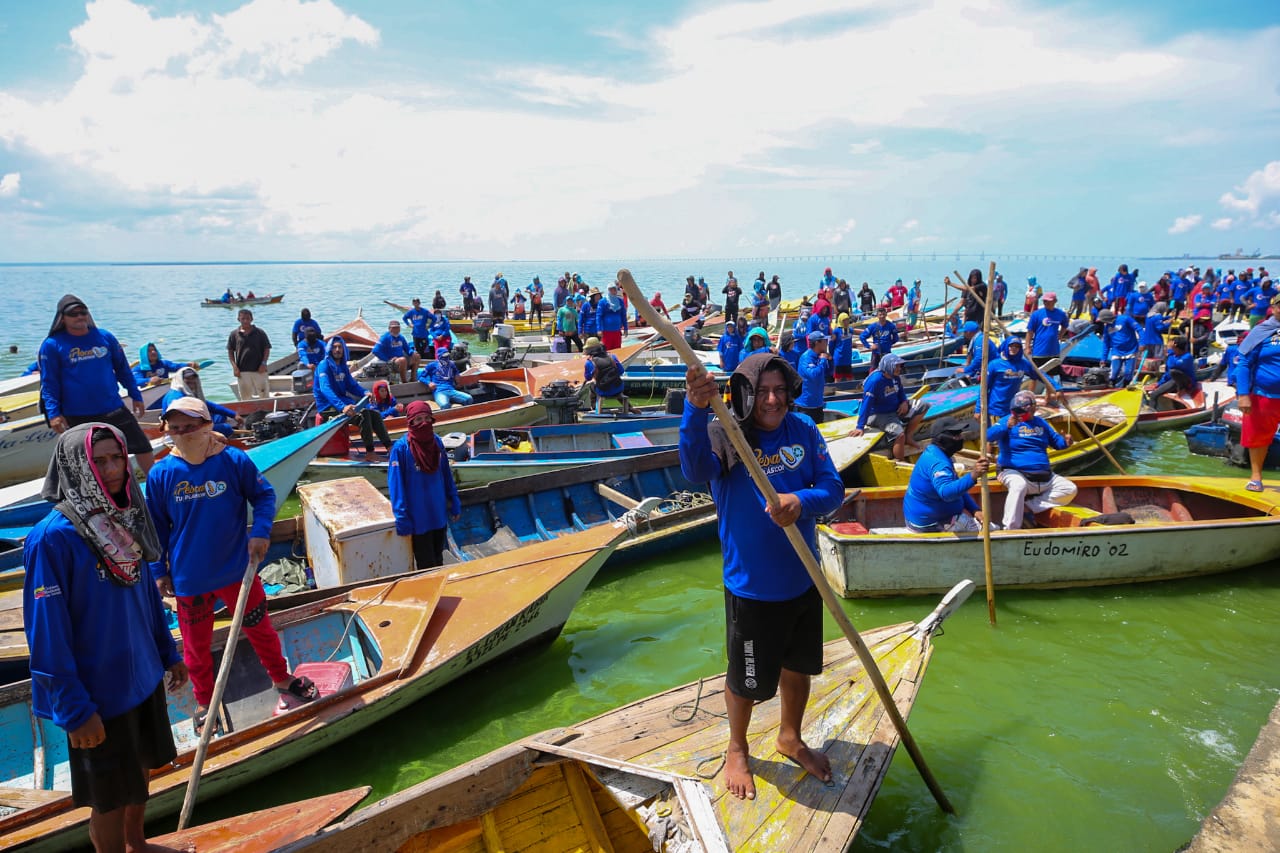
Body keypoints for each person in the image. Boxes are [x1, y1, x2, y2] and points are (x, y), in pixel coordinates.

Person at [679, 352, 842, 800]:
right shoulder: (726, 432)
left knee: (799, 666)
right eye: (763, 391)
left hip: (804, 577)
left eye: (780, 390)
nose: (772, 400)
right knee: (745, 680)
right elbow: (694, 470)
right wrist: (693, 410)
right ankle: (737, 749)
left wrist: (799, 501)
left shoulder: (804, 431)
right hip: (752, 587)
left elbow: (833, 489)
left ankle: (790, 737)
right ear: (746, 392)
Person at [24, 424, 188, 852]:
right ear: (76, 467)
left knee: (142, 769)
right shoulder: (54, 538)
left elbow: (146, 594)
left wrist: (168, 652)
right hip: (98, 692)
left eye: (118, 458)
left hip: (141, 674)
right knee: (109, 796)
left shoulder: (123, 518)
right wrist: (75, 709)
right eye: (100, 461)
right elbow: (46, 631)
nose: (114, 469)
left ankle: (138, 844)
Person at [145, 397, 316, 738]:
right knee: (195, 647)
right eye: (175, 429)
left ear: (207, 425)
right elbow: (155, 527)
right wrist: (157, 570)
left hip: (238, 570)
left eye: (189, 427)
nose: (182, 434)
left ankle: (281, 679)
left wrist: (261, 532)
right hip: (189, 578)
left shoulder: (233, 461)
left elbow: (264, 496)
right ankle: (205, 703)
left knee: (260, 631)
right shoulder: (162, 473)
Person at [39, 295, 155, 473]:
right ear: (62, 318)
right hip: (77, 414)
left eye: (83, 312)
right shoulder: (52, 345)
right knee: (91, 459)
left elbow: (123, 369)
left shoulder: (105, 337)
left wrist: (136, 395)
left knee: (142, 446)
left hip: (112, 407)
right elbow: (49, 383)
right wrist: (54, 413)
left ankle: (156, 487)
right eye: (73, 313)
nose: (79, 316)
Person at [985, 390, 1075, 530]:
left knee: (1069, 489)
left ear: (1033, 409)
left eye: (1022, 411)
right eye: (1016, 411)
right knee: (1018, 485)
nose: (1018, 415)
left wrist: (1066, 442)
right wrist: (1006, 426)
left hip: (1044, 476)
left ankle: (1029, 507)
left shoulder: (1041, 423)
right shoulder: (1006, 420)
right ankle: (1010, 528)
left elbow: (1057, 443)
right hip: (1012, 471)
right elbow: (988, 436)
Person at [388, 401, 461, 570]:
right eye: (418, 419)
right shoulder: (401, 449)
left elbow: (446, 474)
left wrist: (454, 500)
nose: (424, 423)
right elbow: (396, 486)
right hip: (418, 519)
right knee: (426, 565)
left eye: (427, 418)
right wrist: (401, 516)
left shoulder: (436, 442)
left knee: (438, 558)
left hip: (438, 513)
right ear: (410, 422)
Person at [903, 417, 988, 532]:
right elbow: (946, 492)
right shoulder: (939, 463)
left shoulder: (936, 452)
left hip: (929, 516)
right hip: (929, 524)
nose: (961, 437)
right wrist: (973, 474)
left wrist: (974, 509)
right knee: (989, 529)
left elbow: (957, 488)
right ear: (942, 439)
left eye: (960, 434)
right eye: (956, 435)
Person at [315, 337, 394, 460]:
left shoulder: (342, 366)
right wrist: (342, 407)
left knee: (374, 414)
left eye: (340, 347)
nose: (337, 350)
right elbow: (325, 389)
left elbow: (352, 385)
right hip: (327, 406)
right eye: (334, 347)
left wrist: (365, 392)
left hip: (343, 401)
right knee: (363, 415)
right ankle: (370, 452)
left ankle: (390, 448)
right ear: (330, 349)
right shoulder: (324, 365)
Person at [1233, 297, 1280, 491]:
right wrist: (1243, 394)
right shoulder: (1261, 331)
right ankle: (1256, 477)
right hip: (1264, 395)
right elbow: (1243, 363)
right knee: (1259, 437)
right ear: (1274, 308)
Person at [852, 353, 928, 460]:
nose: (899, 368)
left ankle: (909, 436)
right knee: (899, 435)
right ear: (888, 366)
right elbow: (866, 404)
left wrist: (904, 402)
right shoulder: (875, 381)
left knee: (924, 406)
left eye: (899, 366)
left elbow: (900, 391)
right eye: (896, 366)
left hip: (895, 409)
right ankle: (900, 461)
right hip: (878, 414)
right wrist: (860, 426)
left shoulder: (895, 377)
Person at [161, 367, 242, 436]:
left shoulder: (187, 392)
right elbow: (181, 421)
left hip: (194, 422)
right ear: (180, 380)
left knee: (220, 415)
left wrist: (233, 414)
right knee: (226, 428)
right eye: (187, 378)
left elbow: (209, 405)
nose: (191, 381)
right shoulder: (176, 397)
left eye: (193, 378)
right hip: (184, 429)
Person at [982, 337, 1038, 420]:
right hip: (997, 409)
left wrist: (1057, 388)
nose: (1014, 348)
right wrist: (979, 409)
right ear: (1006, 346)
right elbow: (984, 388)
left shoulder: (1023, 363)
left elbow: (1038, 375)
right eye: (1011, 346)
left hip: (1014, 408)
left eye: (1017, 346)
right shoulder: (994, 364)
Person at [227, 308, 272, 400]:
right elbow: (230, 351)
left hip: (259, 369)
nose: (245, 321)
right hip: (242, 371)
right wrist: (235, 367)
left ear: (252, 319)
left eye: (248, 318)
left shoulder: (260, 332)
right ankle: (249, 414)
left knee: (264, 395)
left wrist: (263, 363)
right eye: (243, 318)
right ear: (238, 319)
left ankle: (266, 412)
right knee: (245, 397)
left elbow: (266, 349)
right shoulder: (234, 334)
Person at [584, 337, 635, 415]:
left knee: (591, 386)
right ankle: (629, 407)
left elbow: (588, 378)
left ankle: (594, 407)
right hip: (618, 387)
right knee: (616, 388)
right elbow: (621, 371)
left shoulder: (589, 362)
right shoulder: (612, 357)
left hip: (603, 390)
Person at [1149, 337, 1199, 409]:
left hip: (1186, 382)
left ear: (1176, 346)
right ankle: (1151, 412)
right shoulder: (1172, 355)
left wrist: (1169, 352)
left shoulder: (1187, 357)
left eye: (1172, 346)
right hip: (1173, 381)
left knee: (1174, 372)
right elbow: (1167, 373)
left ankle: (1182, 389)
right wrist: (1159, 383)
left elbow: (1173, 366)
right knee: (1154, 394)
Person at [1099, 308, 1142, 387]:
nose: (1103, 323)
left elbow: (1139, 329)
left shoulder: (1125, 319)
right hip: (1117, 351)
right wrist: (1103, 359)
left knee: (1128, 372)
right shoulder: (1107, 328)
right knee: (1114, 372)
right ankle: (1111, 386)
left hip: (1131, 350)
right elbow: (1106, 343)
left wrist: (1142, 343)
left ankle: (1125, 387)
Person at [1025, 293, 1069, 370]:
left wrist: (1060, 335)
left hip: (1053, 350)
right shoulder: (1036, 314)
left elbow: (1065, 325)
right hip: (1039, 350)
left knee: (1051, 374)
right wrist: (1027, 347)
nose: (1046, 303)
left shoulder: (1060, 314)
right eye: (1044, 301)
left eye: (1048, 301)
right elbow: (1030, 332)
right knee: (1036, 375)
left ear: (1055, 301)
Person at [371, 320, 419, 384]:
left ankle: (413, 379)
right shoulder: (385, 337)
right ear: (389, 328)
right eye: (393, 328)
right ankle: (404, 381)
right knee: (403, 360)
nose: (396, 330)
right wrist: (387, 359)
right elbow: (375, 351)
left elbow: (407, 348)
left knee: (417, 356)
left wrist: (412, 352)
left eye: (397, 328)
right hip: (391, 361)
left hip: (401, 360)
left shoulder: (401, 337)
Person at [796, 331, 828, 422]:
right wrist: (823, 361)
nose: (827, 343)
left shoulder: (820, 356)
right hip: (806, 405)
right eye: (824, 341)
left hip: (818, 402)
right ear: (817, 343)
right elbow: (814, 375)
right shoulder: (806, 358)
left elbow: (828, 372)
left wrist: (829, 360)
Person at [597, 282, 629, 351]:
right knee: (606, 350)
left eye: (614, 289)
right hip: (606, 331)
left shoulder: (620, 301)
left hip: (617, 331)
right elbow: (599, 316)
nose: (613, 291)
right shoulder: (603, 302)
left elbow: (623, 315)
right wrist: (599, 329)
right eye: (611, 290)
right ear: (608, 290)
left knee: (617, 350)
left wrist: (626, 328)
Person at [831, 313, 859, 381]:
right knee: (838, 378)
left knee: (850, 377)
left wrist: (868, 331)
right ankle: (837, 390)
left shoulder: (850, 330)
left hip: (847, 358)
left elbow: (857, 331)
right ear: (840, 320)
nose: (846, 322)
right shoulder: (836, 331)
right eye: (844, 320)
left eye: (847, 320)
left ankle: (851, 390)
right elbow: (831, 343)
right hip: (839, 358)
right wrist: (831, 355)